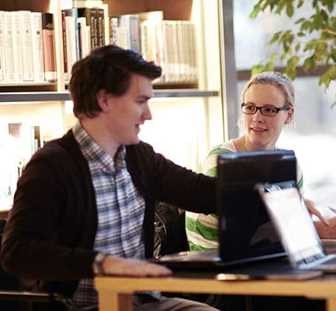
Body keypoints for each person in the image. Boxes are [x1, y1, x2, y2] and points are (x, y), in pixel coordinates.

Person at [0, 45, 217, 310]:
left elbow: (201, 192)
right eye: (141, 101)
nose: (148, 115)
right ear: (104, 100)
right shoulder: (51, 166)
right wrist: (101, 262)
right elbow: (16, 252)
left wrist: (266, 188)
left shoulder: (139, 157)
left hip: (143, 302)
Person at [185, 72, 336, 252]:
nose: (257, 117)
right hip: (214, 264)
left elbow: (287, 224)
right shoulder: (221, 160)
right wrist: (319, 229)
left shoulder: (288, 166)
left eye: (269, 110)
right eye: (250, 107)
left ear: (288, 115)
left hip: (264, 259)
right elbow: (246, 227)